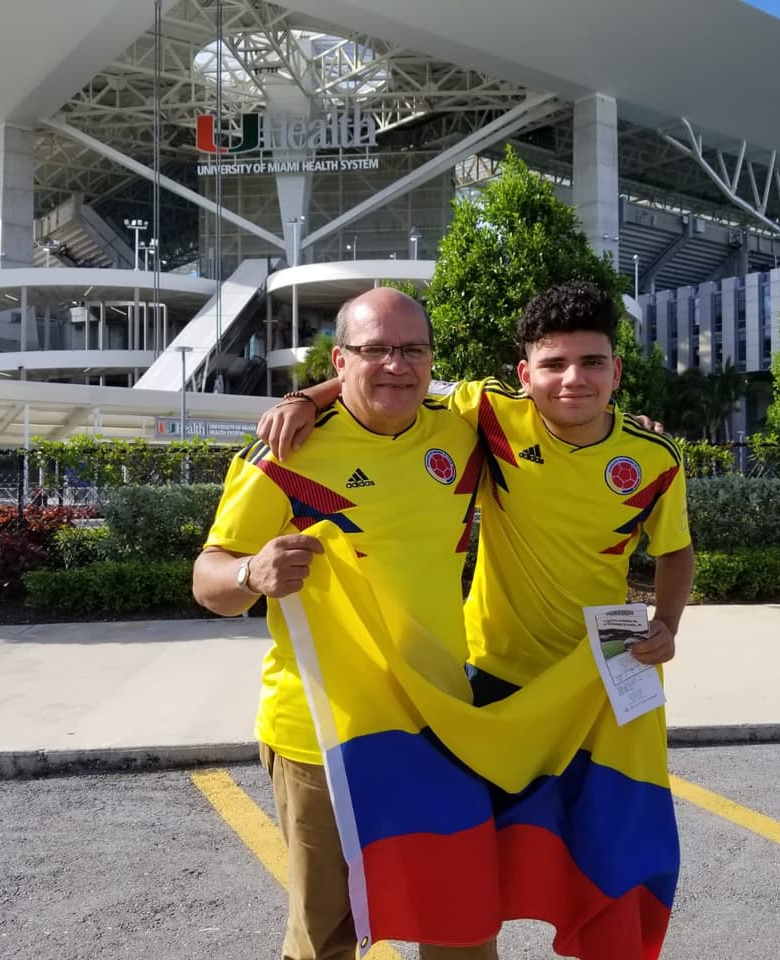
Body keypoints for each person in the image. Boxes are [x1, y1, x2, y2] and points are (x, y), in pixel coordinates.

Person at [192, 287, 494, 960]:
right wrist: (251, 574)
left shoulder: (462, 431)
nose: (396, 365)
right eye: (374, 350)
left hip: (439, 721)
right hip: (320, 735)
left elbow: (560, 411)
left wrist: (629, 426)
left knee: (461, 927)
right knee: (325, 936)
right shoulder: (284, 453)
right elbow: (208, 578)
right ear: (340, 358)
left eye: (412, 349)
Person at [261, 280, 695, 704]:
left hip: (609, 662)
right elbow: (394, 379)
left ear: (615, 372)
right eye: (554, 364)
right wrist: (306, 397)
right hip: (495, 666)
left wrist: (667, 624)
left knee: (628, 757)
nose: (574, 379)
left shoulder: (656, 456)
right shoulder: (491, 410)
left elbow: (675, 549)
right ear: (525, 375)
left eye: (592, 362)